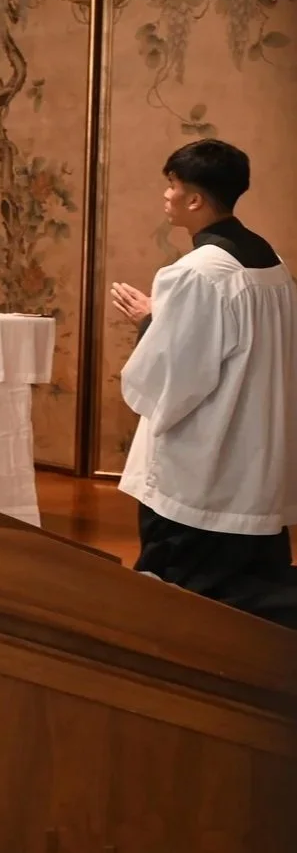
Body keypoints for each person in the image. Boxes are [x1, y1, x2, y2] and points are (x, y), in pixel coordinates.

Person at [109, 139, 296, 624]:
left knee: (188, 604)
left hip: (203, 473)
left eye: (171, 186)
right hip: (256, 467)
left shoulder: (196, 273)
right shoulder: (268, 260)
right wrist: (162, 321)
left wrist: (154, 326)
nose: (165, 196)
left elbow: (170, 380)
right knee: (256, 597)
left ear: (195, 199)